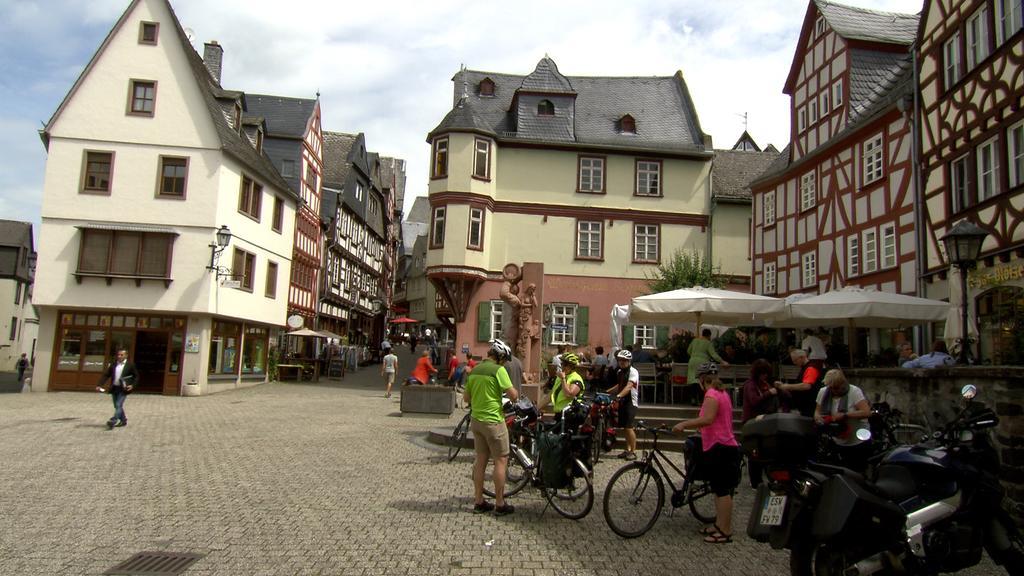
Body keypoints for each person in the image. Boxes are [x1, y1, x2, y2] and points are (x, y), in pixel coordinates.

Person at [673, 362, 741, 544]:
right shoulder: (722, 392)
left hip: (721, 446)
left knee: (722, 490)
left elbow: (708, 419)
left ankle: (725, 531)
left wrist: (684, 424)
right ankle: (719, 525)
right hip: (722, 444)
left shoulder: (711, 394)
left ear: (702, 380)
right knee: (719, 490)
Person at [463, 339, 519, 516]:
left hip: (476, 421)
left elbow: (466, 398)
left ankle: (479, 501)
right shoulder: (499, 370)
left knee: (480, 460)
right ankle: (500, 503)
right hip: (493, 421)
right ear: (501, 357)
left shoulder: (474, 370)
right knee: (501, 460)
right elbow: (513, 395)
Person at [814, 369, 872, 472]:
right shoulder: (823, 392)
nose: (833, 391)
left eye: (836, 388)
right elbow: (817, 412)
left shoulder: (854, 391)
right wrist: (819, 418)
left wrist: (845, 415)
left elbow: (866, 412)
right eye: (830, 388)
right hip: (837, 438)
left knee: (857, 470)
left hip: (857, 439)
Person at [741, 359, 779, 488]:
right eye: (763, 374)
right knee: (754, 452)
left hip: (763, 421)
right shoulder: (750, 385)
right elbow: (754, 401)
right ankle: (755, 481)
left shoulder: (764, 383)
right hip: (752, 421)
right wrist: (769, 393)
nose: (765, 377)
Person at [606, 349, 639, 460]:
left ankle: (633, 451)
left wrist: (619, 396)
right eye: (620, 360)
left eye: (624, 360)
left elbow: (629, 386)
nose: (622, 362)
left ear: (629, 361)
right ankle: (628, 449)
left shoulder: (633, 372)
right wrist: (607, 392)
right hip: (622, 402)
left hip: (631, 402)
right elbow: (619, 386)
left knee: (629, 427)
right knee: (625, 427)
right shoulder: (620, 372)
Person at [95, 349, 140, 429]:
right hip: (114, 388)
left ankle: (114, 420)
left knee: (119, 404)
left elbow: (136, 376)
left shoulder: (130, 365)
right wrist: (99, 385)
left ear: (126, 355)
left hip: (123, 388)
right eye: (118, 355)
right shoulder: (114, 364)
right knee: (116, 406)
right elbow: (106, 375)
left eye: (121, 355)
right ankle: (123, 420)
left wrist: (132, 385)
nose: (119, 356)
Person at [775, 348, 823, 417]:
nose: (794, 363)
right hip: (805, 405)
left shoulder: (811, 368)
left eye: (795, 360)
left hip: (810, 405)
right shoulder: (805, 367)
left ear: (802, 357)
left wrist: (786, 386)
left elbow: (806, 386)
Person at [687, 328, 728, 405]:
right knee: (701, 381)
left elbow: (688, 351)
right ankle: (700, 399)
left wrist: (694, 355)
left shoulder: (694, 340)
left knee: (693, 380)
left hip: (692, 361)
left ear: (702, 334)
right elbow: (713, 355)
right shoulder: (708, 343)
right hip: (703, 362)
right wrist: (722, 361)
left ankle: (693, 399)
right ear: (709, 335)